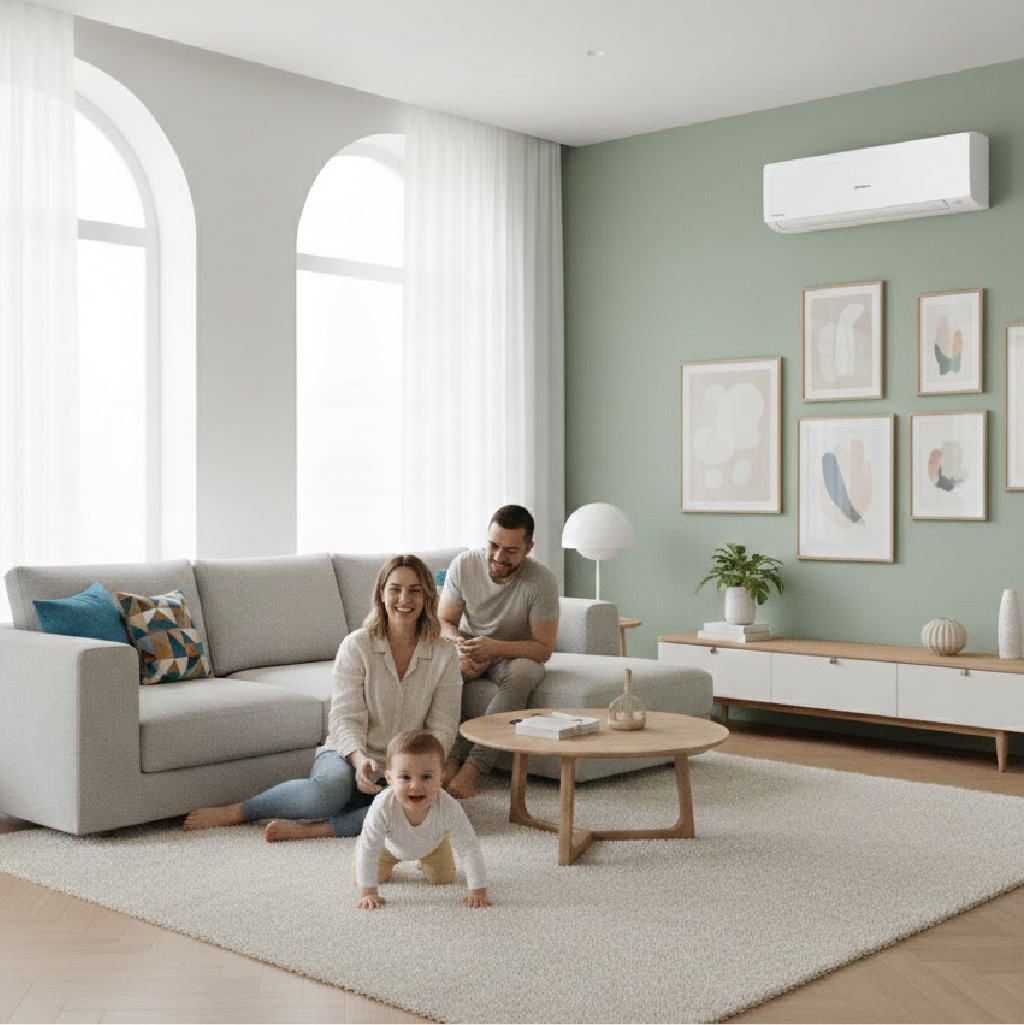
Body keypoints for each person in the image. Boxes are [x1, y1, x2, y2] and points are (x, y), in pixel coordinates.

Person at [183, 555, 462, 841]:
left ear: (427, 597)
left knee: (407, 808)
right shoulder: (357, 645)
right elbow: (345, 717)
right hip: (349, 754)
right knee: (327, 793)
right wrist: (359, 759)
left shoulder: (444, 654)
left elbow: (443, 727)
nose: (404, 599)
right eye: (395, 589)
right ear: (381, 594)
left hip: (409, 767)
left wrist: (414, 773)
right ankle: (242, 811)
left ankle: (312, 831)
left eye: (415, 590)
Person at [439, 505, 560, 799]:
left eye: (511, 550)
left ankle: (474, 768)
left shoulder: (541, 580)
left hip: (515, 654)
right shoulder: (464, 565)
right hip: (469, 647)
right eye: (493, 545)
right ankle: (450, 758)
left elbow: (543, 649)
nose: (498, 557)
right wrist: (459, 648)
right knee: (439, 668)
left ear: (528, 548)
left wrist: (495, 648)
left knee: (524, 673)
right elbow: (444, 622)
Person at [354, 729, 490, 910]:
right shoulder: (382, 806)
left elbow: (469, 848)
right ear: (390, 779)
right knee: (368, 875)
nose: (416, 786)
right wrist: (368, 892)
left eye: (426, 777)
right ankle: (361, 841)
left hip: (432, 846)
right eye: (405, 777)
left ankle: (437, 849)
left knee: (443, 879)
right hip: (387, 847)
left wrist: (478, 890)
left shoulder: (449, 807)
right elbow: (370, 849)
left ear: (441, 778)